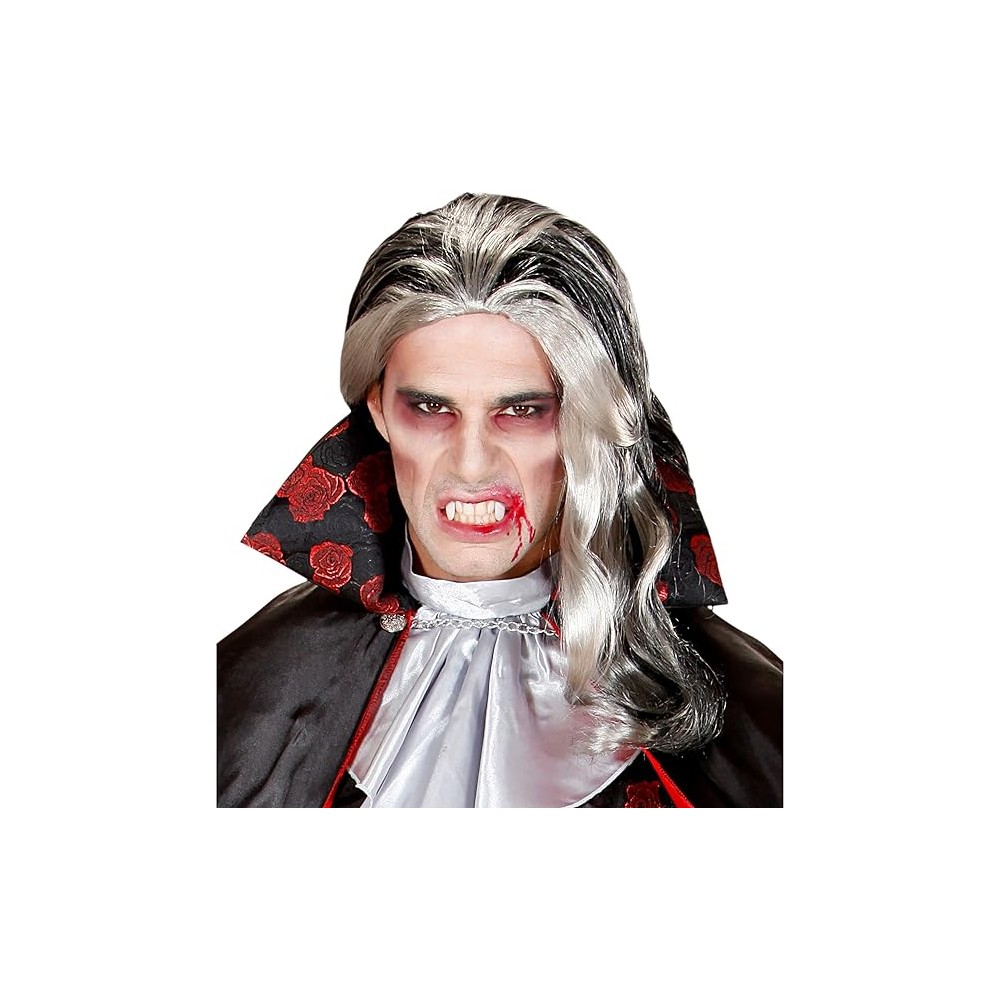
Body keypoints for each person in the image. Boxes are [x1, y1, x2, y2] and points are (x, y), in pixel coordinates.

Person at [217, 193, 782, 808]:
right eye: (430, 407)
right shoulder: (253, 681)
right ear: (377, 410)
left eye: (522, 411)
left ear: (589, 424)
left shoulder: (757, 718)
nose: (471, 464)